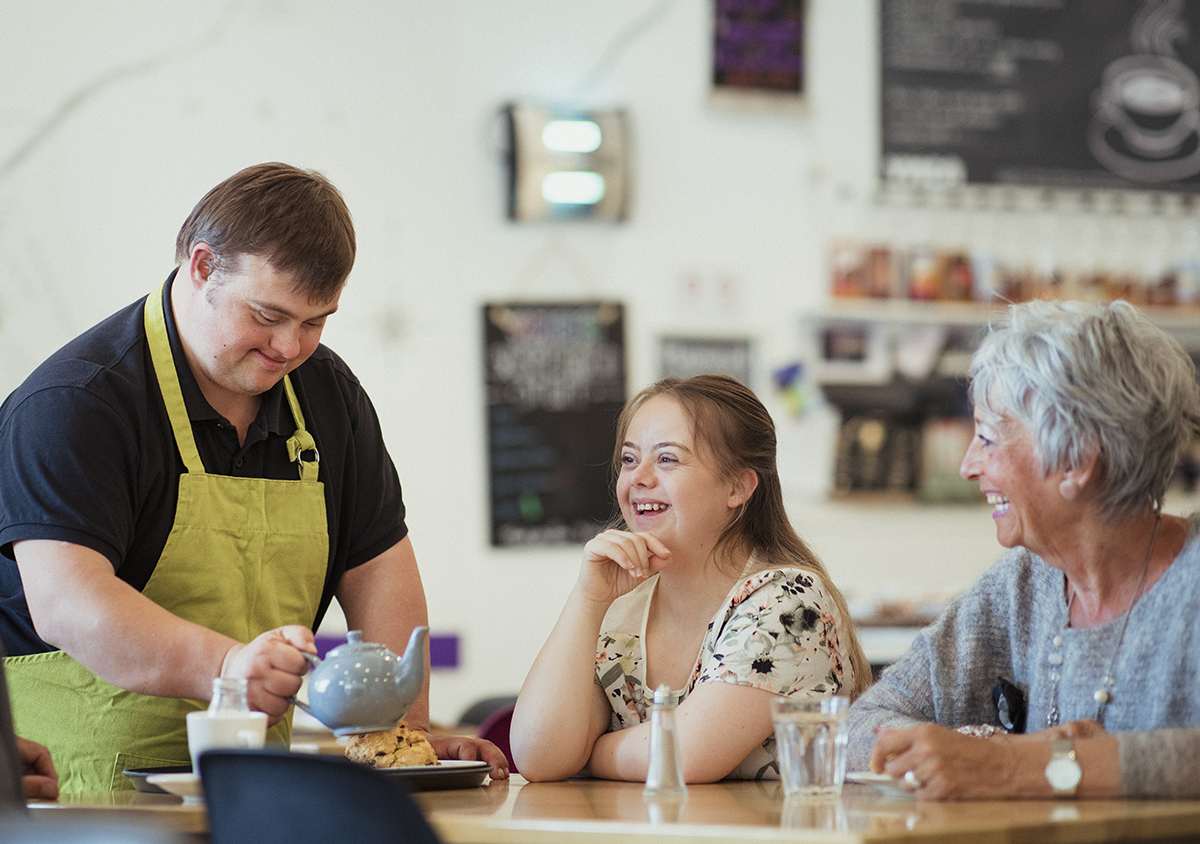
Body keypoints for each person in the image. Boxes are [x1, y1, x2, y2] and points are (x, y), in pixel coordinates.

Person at [0, 162, 507, 792]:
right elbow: (67, 603)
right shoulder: (78, 403)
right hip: (79, 797)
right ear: (202, 266)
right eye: (268, 315)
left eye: (316, 321)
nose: (289, 347)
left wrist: (406, 731)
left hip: (254, 791)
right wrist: (231, 667)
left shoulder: (327, 397)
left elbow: (378, 567)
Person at [846, 299, 1200, 800]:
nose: (969, 466)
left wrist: (1020, 767)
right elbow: (863, 725)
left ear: (1077, 458)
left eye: (988, 439)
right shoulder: (1021, 584)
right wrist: (983, 746)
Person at [511, 374, 870, 782]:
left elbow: (683, 758)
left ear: (737, 486)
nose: (638, 478)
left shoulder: (790, 600)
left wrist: (586, 756)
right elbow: (538, 756)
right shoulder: (619, 605)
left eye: (667, 459)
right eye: (629, 460)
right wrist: (587, 598)